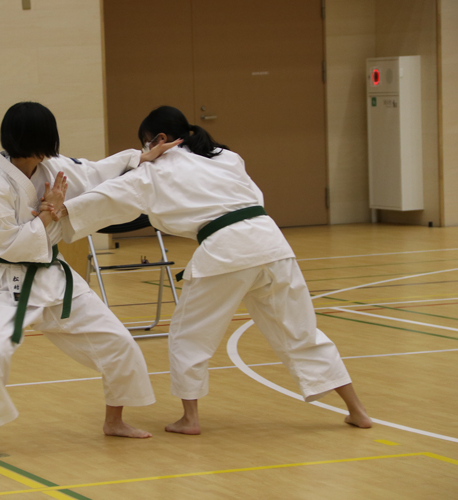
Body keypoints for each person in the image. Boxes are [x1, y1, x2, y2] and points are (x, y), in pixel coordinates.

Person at [55, 105, 372, 434]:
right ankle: (358, 411)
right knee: (302, 332)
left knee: (187, 336)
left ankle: (190, 419)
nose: (145, 152)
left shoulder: (154, 171)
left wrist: (61, 211)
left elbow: (106, 197)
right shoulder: (226, 157)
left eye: (145, 144)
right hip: (272, 244)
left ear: (160, 140)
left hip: (226, 251)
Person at [0, 102, 178, 457]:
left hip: (55, 276)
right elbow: (2, 245)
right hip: (11, 284)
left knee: (118, 341)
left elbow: (96, 172)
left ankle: (114, 421)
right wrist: (48, 217)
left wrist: (141, 158)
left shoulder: (53, 168)